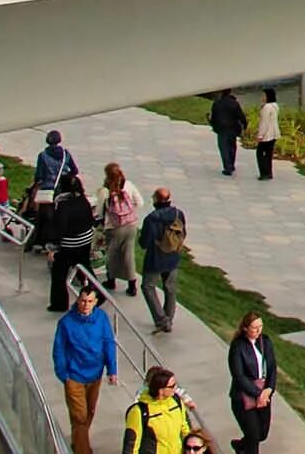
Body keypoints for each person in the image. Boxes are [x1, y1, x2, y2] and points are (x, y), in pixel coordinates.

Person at [52, 284, 118, 454]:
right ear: (78, 300)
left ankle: (77, 441)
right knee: (79, 417)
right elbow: (58, 350)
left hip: (95, 375)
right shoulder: (66, 323)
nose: (85, 304)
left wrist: (112, 370)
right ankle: (83, 450)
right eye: (82, 300)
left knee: (89, 413)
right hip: (74, 376)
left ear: (95, 302)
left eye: (89, 301)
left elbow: (108, 343)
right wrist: (64, 375)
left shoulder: (102, 318)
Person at [227, 311, 278, 454]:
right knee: (253, 436)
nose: (258, 330)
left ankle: (241, 446)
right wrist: (258, 394)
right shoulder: (238, 346)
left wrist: (269, 389)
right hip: (243, 398)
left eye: (260, 326)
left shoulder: (265, 342)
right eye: (254, 327)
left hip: (263, 394)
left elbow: (272, 367)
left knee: (261, 434)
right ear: (245, 328)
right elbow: (239, 376)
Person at [139, 188, 186, 334]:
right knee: (170, 288)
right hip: (173, 257)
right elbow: (184, 233)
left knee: (147, 286)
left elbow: (144, 243)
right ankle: (168, 319)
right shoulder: (179, 214)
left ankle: (161, 320)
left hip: (155, 258)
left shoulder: (151, 219)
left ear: (156, 200)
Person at [48, 173, 97, 312]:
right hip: (85, 241)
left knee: (59, 273)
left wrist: (53, 247)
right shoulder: (83, 201)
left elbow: (60, 228)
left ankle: (59, 304)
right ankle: (97, 293)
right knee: (85, 267)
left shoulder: (63, 206)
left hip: (69, 245)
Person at [95, 162, 144, 296]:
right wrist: (128, 209)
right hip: (130, 226)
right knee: (128, 255)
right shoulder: (129, 184)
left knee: (112, 255)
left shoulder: (105, 190)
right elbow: (140, 202)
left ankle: (111, 280)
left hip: (113, 228)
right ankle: (132, 284)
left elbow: (99, 211)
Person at [121, 366, 194, 454]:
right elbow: (131, 446)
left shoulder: (176, 401)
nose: (175, 389)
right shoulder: (138, 411)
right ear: (160, 390)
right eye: (172, 386)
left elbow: (185, 429)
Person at [31, 130, 79, 250]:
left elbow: (39, 176)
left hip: (47, 190)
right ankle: (58, 240)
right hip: (62, 190)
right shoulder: (65, 154)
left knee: (43, 216)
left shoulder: (42, 156)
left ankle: (39, 242)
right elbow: (74, 170)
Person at [209, 89, 247, 177]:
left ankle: (227, 167)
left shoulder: (217, 103)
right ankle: (231, 164)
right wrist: (245, 125)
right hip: (233, 128)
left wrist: (214, 126)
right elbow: (240, 115)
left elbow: (214, 117)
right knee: (232, 147)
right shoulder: (234, 103)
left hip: (222, 129)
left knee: (224, 148)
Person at [254, 88, 280, 180]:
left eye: (264, 95)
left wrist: (260, 135)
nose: (262, 97)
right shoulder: (275, 106)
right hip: (274, 133)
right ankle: (269, 172)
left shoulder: (267, 107)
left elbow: (264, 123)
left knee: (260, 153)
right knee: (269, 154)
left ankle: (263, 173)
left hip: (267, 134)